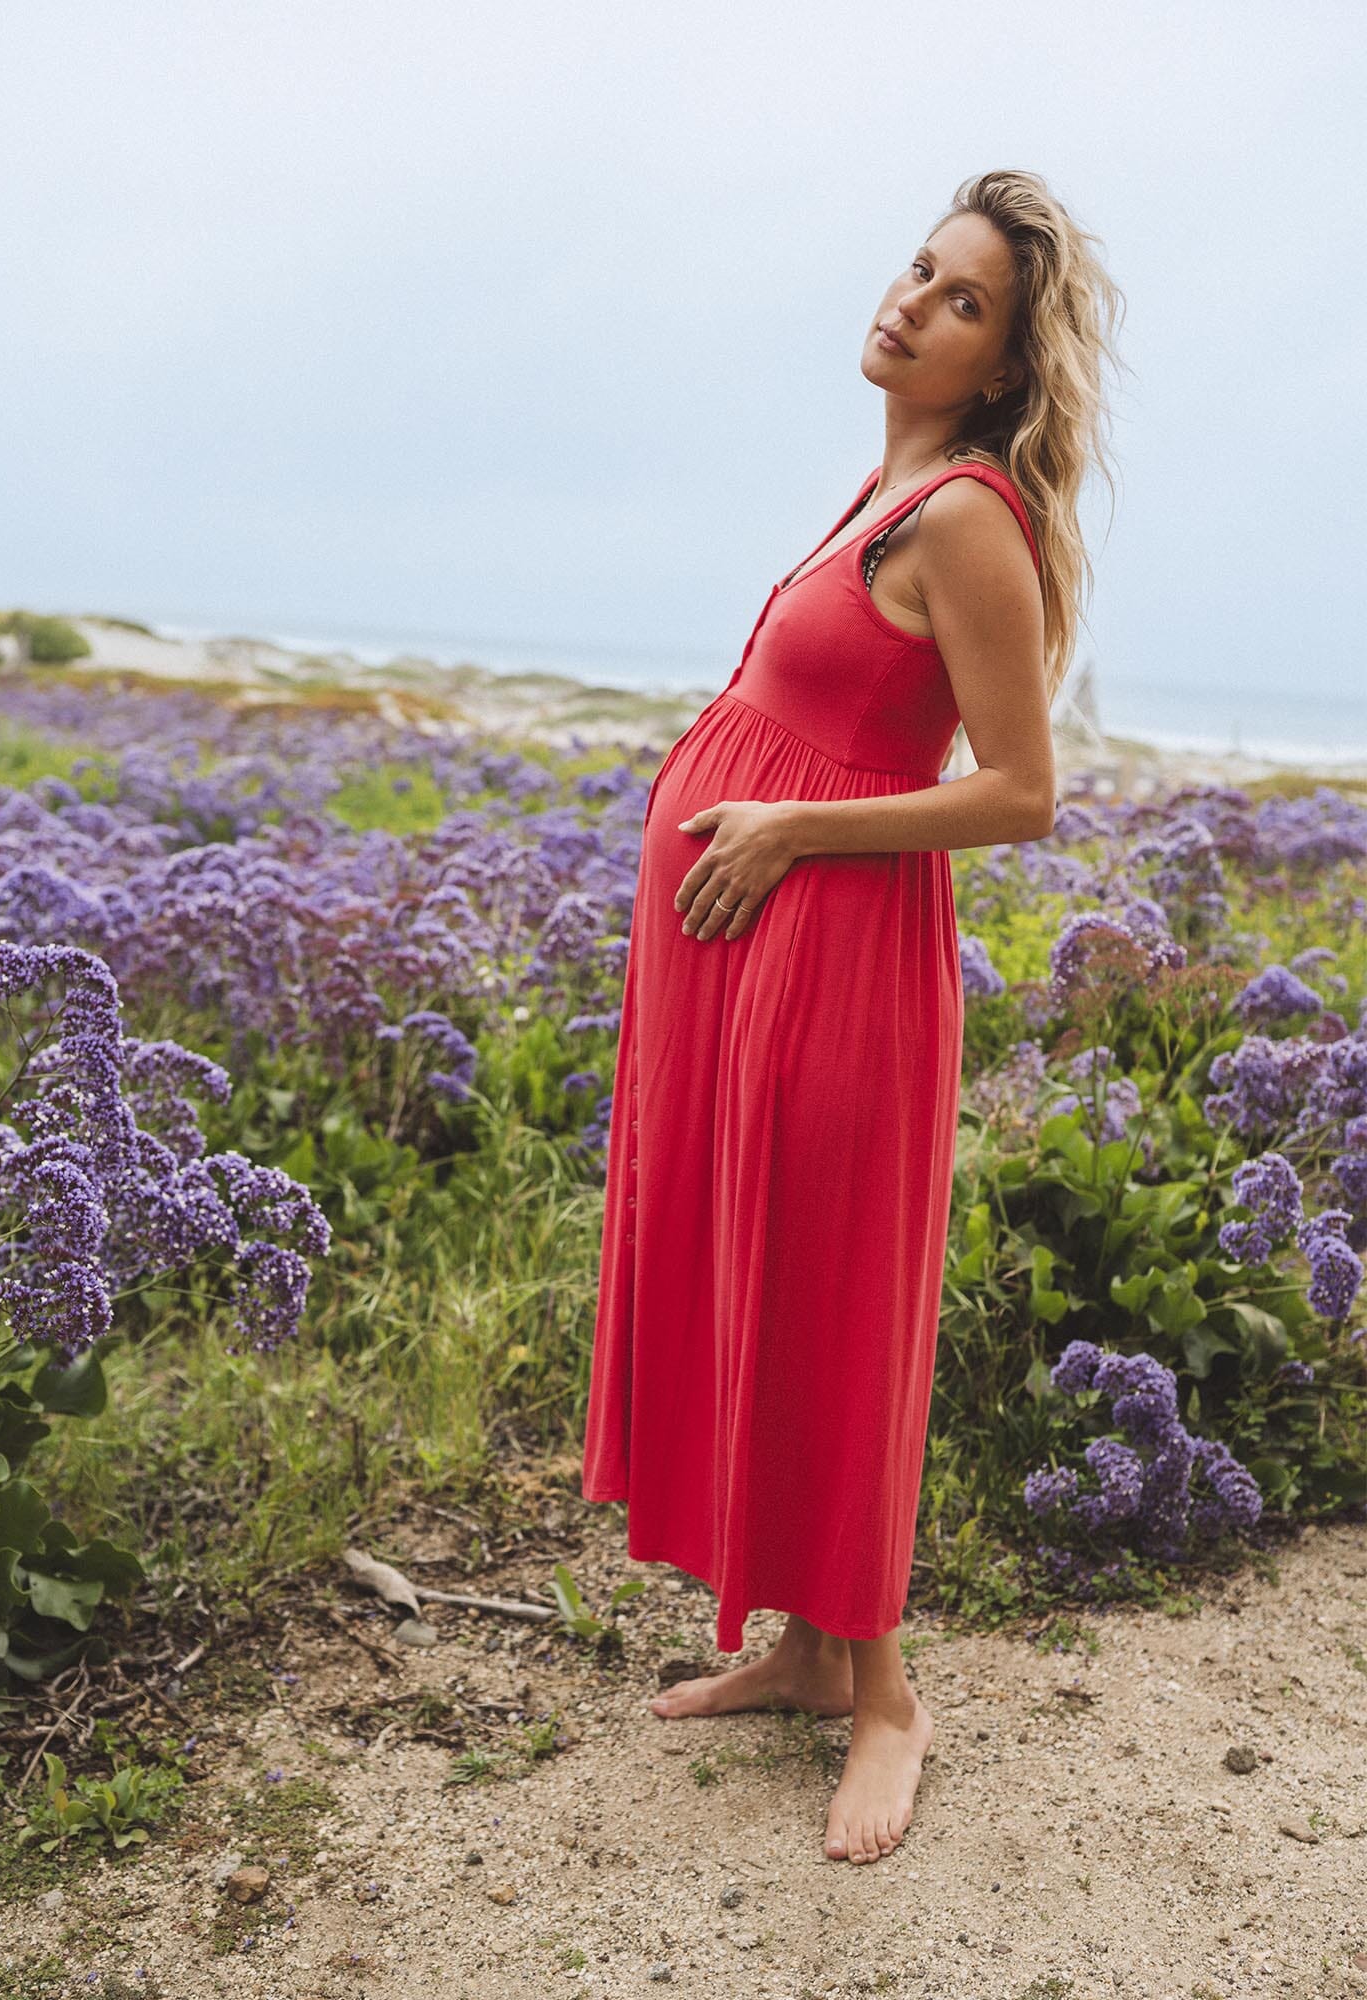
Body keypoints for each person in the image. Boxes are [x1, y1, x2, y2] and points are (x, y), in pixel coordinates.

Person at [580, 168, 1125, 1867]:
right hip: (751, 956)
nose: (913, 303)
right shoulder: (879, 489)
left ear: (1004, 364)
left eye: (963, 302)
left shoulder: (965, 516)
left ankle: (885, 1695)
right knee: (759, 1265)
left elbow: (1023, 791)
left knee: (827, 1294)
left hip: (837, 962)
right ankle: (809, 1652)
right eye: (918, 269)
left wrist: (795, 830)